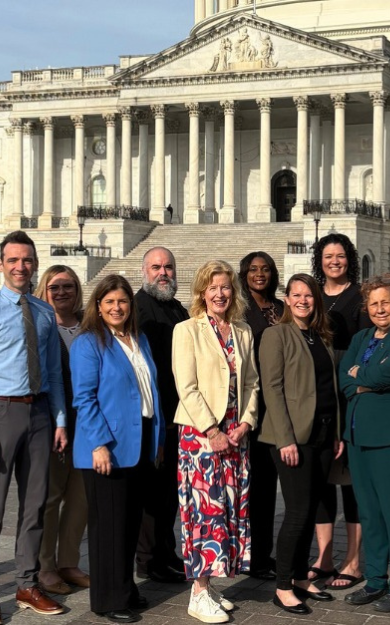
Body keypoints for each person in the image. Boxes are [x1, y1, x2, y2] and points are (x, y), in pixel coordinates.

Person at [0, 231, 67, 625]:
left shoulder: (43, 312)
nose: (20, 267)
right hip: (1, 412)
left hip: (39, 412)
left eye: (26, 260)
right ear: (0, 265)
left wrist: (60, 420)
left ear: (35, 264)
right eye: (13, 260)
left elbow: (54, 372)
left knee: (35, 504)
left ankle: (26, 583)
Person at [71, 274, 165, 623]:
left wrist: (158, 440)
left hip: (140, 440)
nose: (116, 307)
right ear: (98, 306)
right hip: (107, 445)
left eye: (122, 301)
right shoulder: (88, 343)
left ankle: (124, 588)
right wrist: (98, 444)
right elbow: (84, 398)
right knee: (109, 526)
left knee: (129, 523)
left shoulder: (139, 339)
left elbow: (151, 391)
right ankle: (108, 599)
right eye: (109, 302)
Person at [173, 260, 258, 624]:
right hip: (201, 436)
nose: (220, 294)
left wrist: (246, 422)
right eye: (213, 288)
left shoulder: (243, 331)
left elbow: (252, 382)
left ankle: (208, 586)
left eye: (225, 287)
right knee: (204, 513)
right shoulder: (186, 330)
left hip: (235, 434)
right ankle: (198, 592)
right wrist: (212, 430)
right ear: (201, 293)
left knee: (228, 509)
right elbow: (187, 387)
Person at [339, 274, 390, 613]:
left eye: (385, 302)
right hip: (358, 436)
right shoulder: (360, 338)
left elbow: (383, 377)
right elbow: (345, 378)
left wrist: (363, 376)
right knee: (370, 513)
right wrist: (362, 379)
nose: (379, 309)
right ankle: (375, 580)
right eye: (373, 303)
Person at [259, 274, 341, 615]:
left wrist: (336, 433)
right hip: (291, 438)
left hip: (323, 434)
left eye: (308, 295)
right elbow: (272, 389)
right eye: (296, 295)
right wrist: (285, 439)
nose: (303, 300)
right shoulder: (276, 334)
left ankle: (299, 576)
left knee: (310, 511)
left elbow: (328, 388)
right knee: (296, 512)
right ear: (287, 299)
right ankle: (282, 587)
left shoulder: (319, 336)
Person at [309, 233, 365, 590]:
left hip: (348, 390)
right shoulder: (312, 294)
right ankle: (325, 556)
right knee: (322, 481)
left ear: (349, 259)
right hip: (318, 392)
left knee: (351, 482)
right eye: (328, 256)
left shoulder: (359, 296)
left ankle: (354, 561)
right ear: (320, 260)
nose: (334, 261)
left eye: (340, 256)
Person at [135, 247, 190, 584]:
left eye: (168, 267)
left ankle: (166, 552)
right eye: (156, 267)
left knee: (169, 493)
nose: (163, 273)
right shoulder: (139, 308)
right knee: (152, 495)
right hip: (153, 416)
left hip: (177, 415)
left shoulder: (177, 308)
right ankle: (148, 560)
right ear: (144, 271)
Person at [33, 266, 89, 595]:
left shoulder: (89, 325)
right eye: (54, 287)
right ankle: (45, 566)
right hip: (54, 422)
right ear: (44, 291)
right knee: (51, 497)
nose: (62, 292)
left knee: (80, 498)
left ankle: (69, 562)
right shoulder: (40, 325)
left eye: (68, 286)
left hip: (88, 423)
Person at [239, 251, 284, 581]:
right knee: (252, 486)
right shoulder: (239, 309)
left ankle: (263, 554)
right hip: (252, 404)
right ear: (244, 274)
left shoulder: (280, 308)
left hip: (278, 404)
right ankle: (251, 556)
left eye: (265, 269)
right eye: (253, 269)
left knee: (268, 486)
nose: (259, 274)